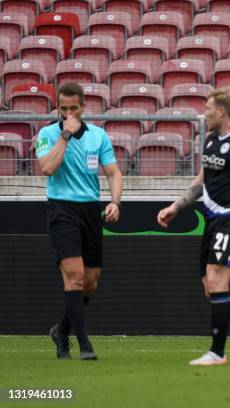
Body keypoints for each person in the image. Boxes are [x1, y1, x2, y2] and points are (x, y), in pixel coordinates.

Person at [156, 88, 230, 366]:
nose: (205, 113)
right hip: (211, 222)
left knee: (217, 282)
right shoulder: (210, 141)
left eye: (208, 108)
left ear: (221, 111)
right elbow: (201, 182)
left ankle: (217, 352)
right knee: (212, 288)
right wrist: (176, 206)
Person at [38, 82, 123, 360]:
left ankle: (61, 330)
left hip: (90, 210)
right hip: (62, 209)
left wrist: (114, 201)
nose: (69, 113)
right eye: (63, 109)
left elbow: (113, 173)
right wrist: (65, 136)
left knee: (90, 281)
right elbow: (47, 168)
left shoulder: (98, 136)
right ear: (58, 108)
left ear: (83, 107)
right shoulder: (48, 134)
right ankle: (84, 344)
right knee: (74, 277)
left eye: (74, 108)